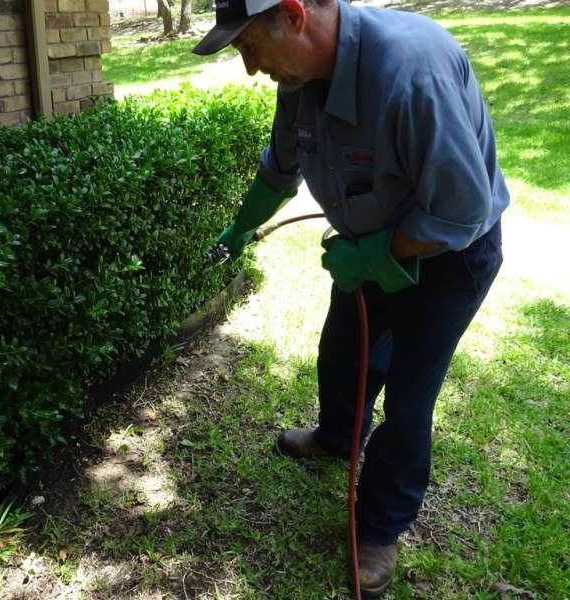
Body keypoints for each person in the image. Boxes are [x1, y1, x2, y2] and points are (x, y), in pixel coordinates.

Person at [195, 0, 508, 596]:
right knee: (344, 351)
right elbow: (279, 169)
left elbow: (462, 209)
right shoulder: (301, 79)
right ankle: (340, 436)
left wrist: (377, 255)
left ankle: (381, 527)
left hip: (449, 258)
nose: (251, 70)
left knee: (410, 399)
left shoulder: (412, 70)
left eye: (249, 48)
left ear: (292, 15)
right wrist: (239, 229)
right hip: (369, 243)